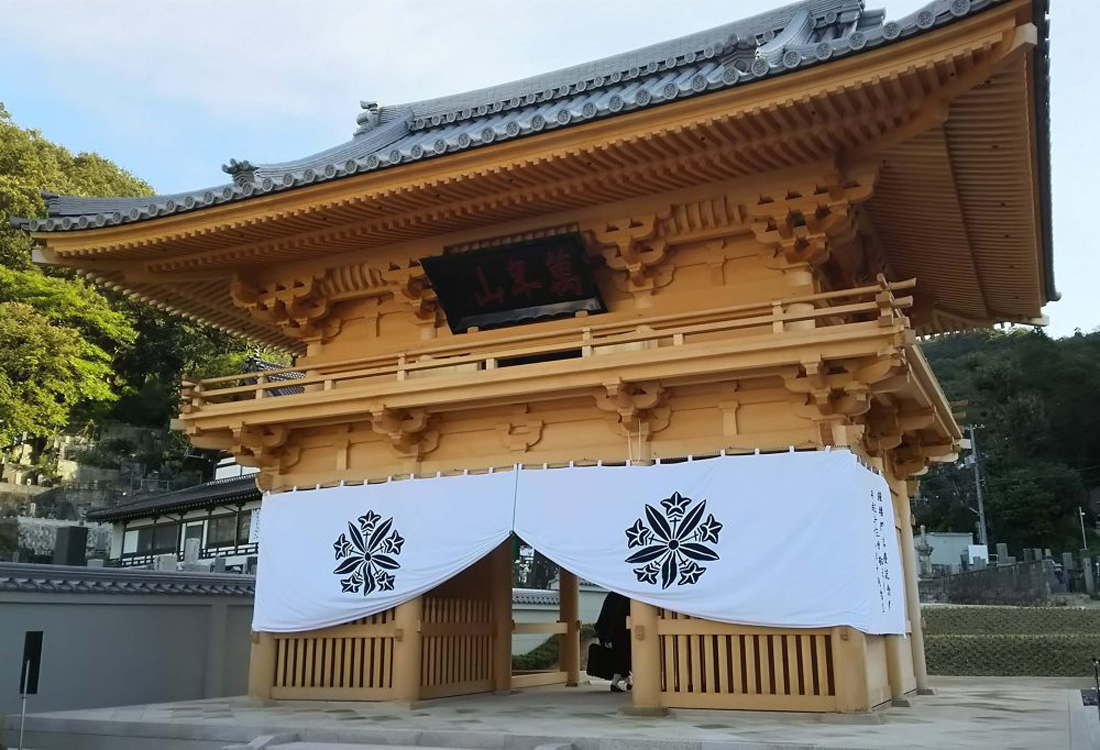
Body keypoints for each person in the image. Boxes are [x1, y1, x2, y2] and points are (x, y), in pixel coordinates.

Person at [595, 591, 632, 692]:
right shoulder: (627, 596)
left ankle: (628, 681)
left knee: (620, 656)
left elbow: (605, 616)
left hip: (611, 631)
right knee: (623, 657)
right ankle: (615, 682)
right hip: (622, 631)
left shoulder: (612, 595)